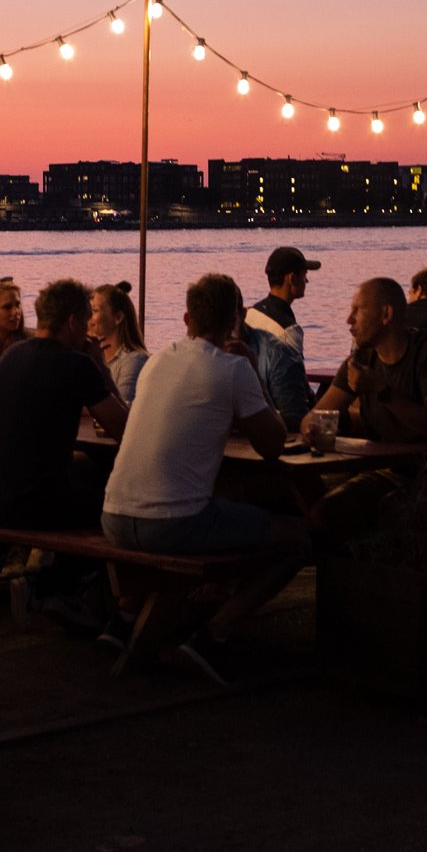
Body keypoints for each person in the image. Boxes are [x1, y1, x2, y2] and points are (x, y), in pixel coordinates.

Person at [102, 273, 310, 685]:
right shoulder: (233, 368)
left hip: (112, 516)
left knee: (223, 501)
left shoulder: (156, 361)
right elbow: (272, 444)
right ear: (237, 319)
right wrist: (253, 372)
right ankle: (212, 635)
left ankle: (127, 616)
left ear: (187, 319)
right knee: (300, 538)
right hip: (170, 525)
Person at [303, 278, 427, 542]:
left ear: (386, 314)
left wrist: (381, 391)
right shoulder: (360, 360)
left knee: (330, 513)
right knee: (307, 502)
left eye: (358, 310)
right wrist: (314, 428)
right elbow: (313, 418)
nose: (349, 320)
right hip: (386, 468)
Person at [0, 279, 127, 530]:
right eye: (84, 322)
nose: (87, 331)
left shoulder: (10, 356)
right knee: (123, 506)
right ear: (71, 322)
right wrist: (100, 366)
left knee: (83, 472)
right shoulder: (77, 364)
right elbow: (125, 431)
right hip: (37, 507)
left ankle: (57, 566)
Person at [236, 299, 310, 431]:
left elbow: (293, 421)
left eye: (225, 321)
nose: (219, 331)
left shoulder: (278, 354)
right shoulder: (203, 352)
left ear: (242, 315)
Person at [245, 247, 319, 356]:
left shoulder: (249, 315)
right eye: (304, 275)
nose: (307, 281)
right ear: (292, 279)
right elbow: (293, 371)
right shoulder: (289, 331)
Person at [89, 281, 149, 405]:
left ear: (118, 318)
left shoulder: (134, 360)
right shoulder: (90, 357)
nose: (87, 317)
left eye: (94, 311)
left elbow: (122, 406)